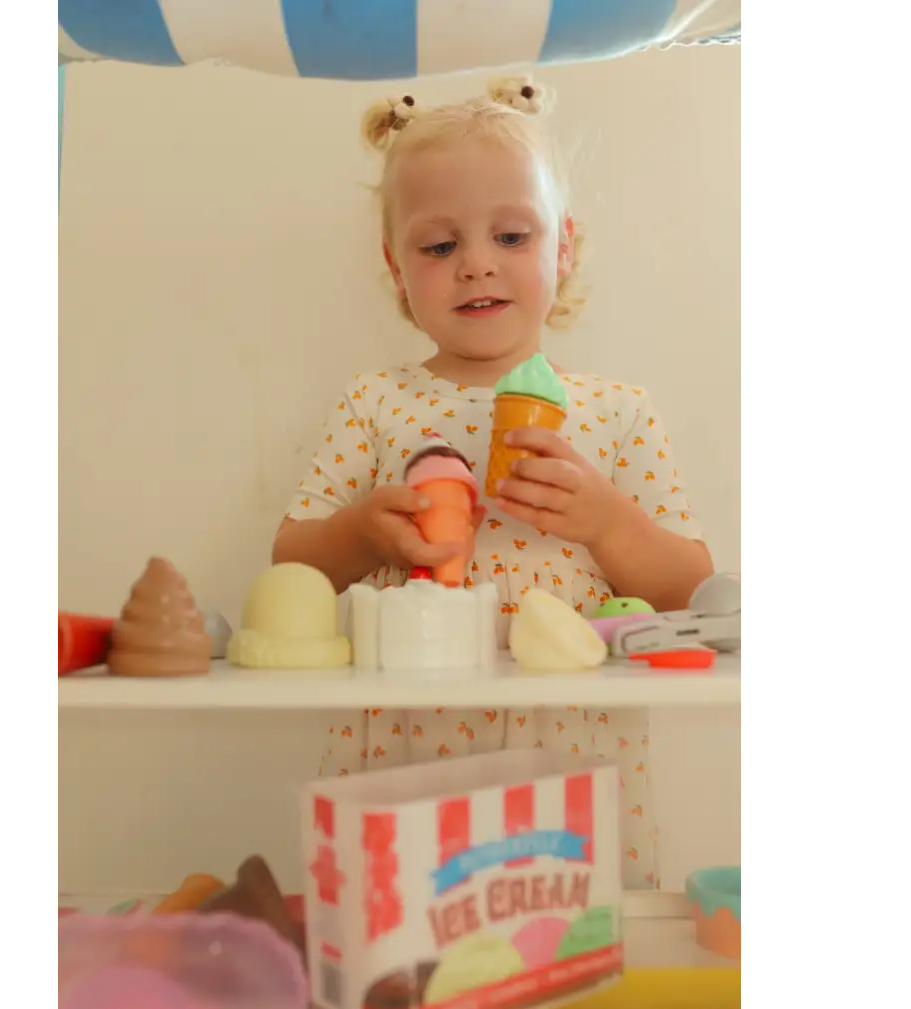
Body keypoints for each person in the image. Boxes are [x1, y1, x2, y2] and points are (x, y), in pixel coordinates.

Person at [272, 76, 714, 889]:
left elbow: (696, 595)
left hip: (572, 747)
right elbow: (290, 565)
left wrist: (610, 525)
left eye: (512, 236)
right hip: (405, 738)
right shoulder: (377, 402)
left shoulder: (615, 411)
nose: (476, 264)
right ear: (396, 267)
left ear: (564, 246)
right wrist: (367, 529)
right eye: (440, 247)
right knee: (408, 949)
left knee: (566, 954)